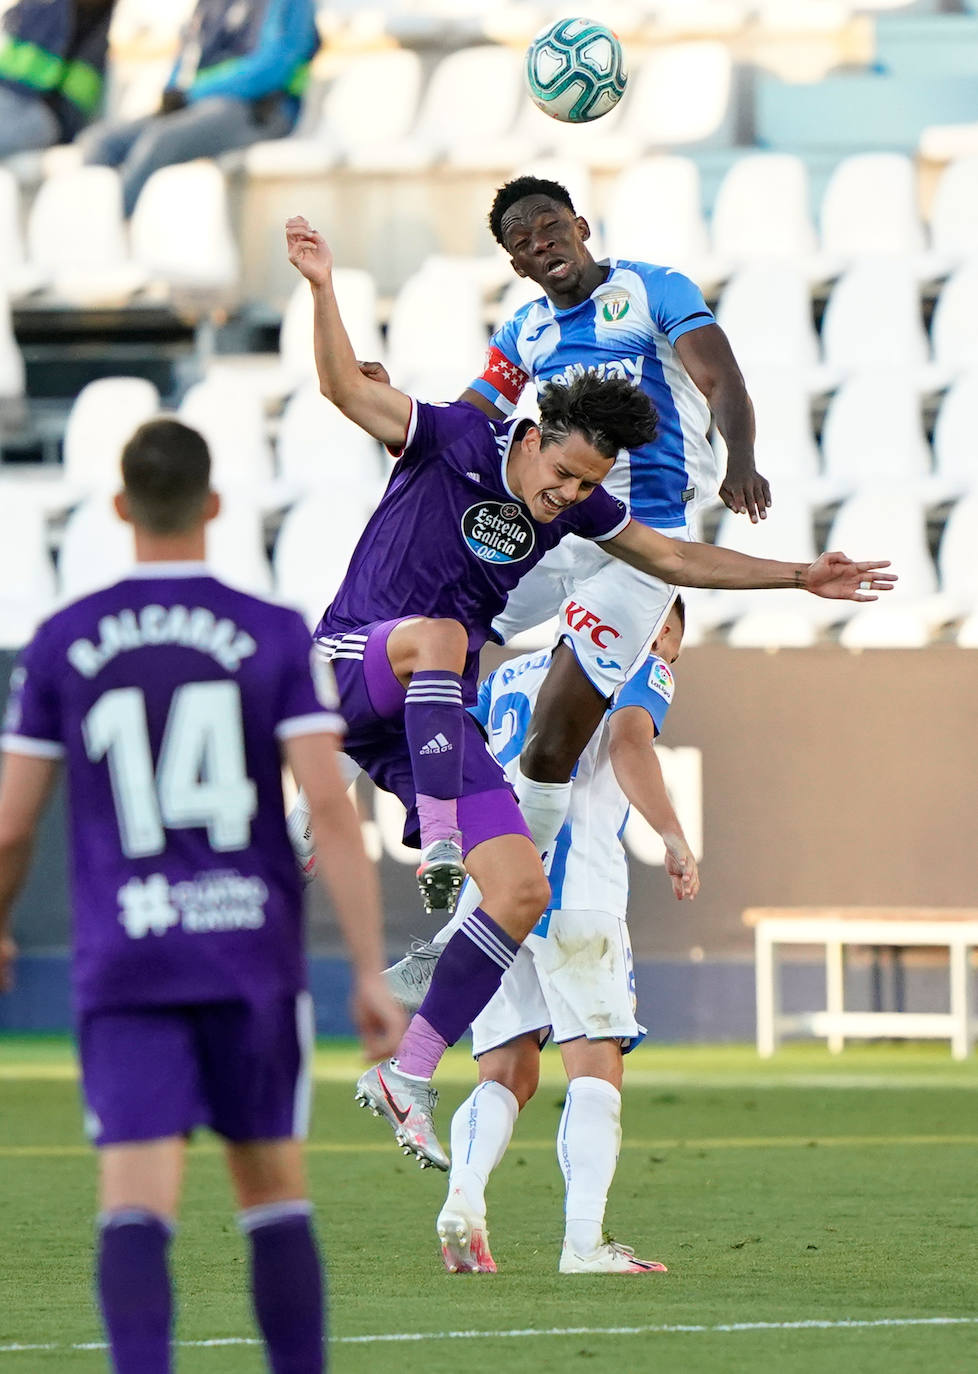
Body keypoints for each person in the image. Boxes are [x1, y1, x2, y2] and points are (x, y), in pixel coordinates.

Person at [284, 212, 893, 1171]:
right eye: (564, 476)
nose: (570, 500)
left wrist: (797, 575)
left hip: (423, 712)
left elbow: (673, 552)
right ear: (529, 435)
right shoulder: (450, 437)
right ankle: (427, 829)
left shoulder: (587, 502)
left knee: (523, 886)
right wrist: (323, 290)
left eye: (588, 488)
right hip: (354, 662)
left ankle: (406, 1071)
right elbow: (337, 386)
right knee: (448, 634)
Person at [0, 417, 403, 1374]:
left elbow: (12, 825)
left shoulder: (62, 641)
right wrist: (366, 972)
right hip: (250, 956)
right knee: (273, 1191)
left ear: (117, 508)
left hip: (128, 959)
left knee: (135, 1196)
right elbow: (329, 808)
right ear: (218, 505)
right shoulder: (269, 632)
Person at [464, 173, 771, 880]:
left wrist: (741, 459)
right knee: (432, 629)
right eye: (523, 243)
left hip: (642, 544)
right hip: (562, 522)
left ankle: (488, 912)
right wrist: (398, 418)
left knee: (549, 748)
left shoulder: (653, 289)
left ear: (581, 227)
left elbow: (722, 379)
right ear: (516, 265)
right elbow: (470, 421)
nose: (542, 246)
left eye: (550, 228)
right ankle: (329, 824)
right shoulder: (524, 330)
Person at [434, 598, 694, 1277]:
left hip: (491, 892)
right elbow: (631, 742)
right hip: (577, 895)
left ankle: (463, 1200)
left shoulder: (506, 678)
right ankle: (583, 1243)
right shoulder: (632, 658)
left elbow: (452, 760)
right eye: (672, 636)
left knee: (506, 1070)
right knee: (595, 1065)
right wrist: (670, 832)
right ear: (657, 622)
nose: (668, 653)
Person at [81, 0, 319, 217]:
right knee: (100, 141)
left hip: (260, 109)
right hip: (198, 106)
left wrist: (193, 93)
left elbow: (274, 66)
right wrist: (172, 91)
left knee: (162, 139)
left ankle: (113, 231)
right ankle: (92, 230)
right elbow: (188, 55)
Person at [0, 0, 115, 159]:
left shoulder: (101, 30)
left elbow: (70, 106)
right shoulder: (47, 8)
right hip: (11, 96)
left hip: (45, 113)